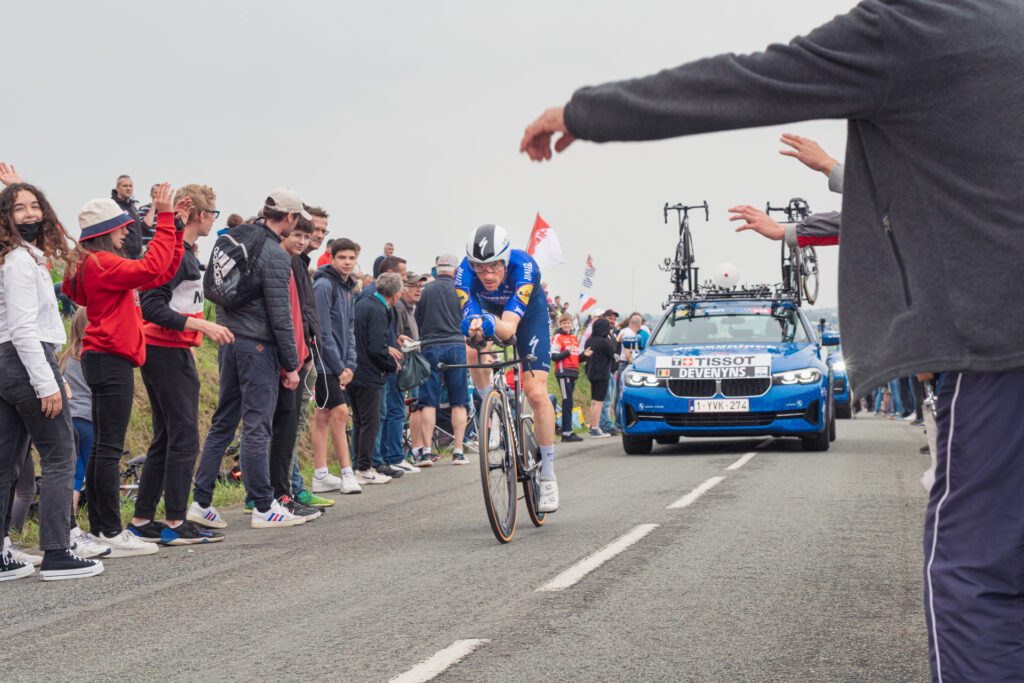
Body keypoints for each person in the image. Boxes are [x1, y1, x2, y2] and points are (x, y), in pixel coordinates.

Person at [519, 4, 1024, 678]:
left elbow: (746, 82)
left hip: (997, 344)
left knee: (972, 568)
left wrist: (587, 112)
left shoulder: (910, 26)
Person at [63, 183, 185, 557]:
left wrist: (175, 230)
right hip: (111, 358)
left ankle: (104, 527)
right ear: (104, 233)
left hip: (104, 357)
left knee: (104, 446)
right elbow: (151, 265)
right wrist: (163, 217)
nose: (128, 231)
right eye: (121, 226)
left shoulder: (96, 265)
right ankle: (110, 529)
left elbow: (159, 273)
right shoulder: (102, 263)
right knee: (108, 447)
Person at [0, 181, 104, 580]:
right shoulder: (21, 263)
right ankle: (58, 551)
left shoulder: (17, 257)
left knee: (6, 463)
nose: (29, 214)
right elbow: (25, 329)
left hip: (10, 362)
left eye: (34, 207)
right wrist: (48, 383)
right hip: (27, 359)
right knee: (61, 454)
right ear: (6, 217)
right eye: (19, 208)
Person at [188, 189, 305, 530]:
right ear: (290, 218)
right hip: (257, 346)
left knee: (224, 421)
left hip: (228, 339)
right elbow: (280, 316)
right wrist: (291, 364)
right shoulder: (275, 254)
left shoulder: (238, 237)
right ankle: (264, 507)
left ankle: (201, 501)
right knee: (257, 425)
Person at [128, 184, 233, 546]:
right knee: (183, 436)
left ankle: (142, 519)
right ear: (201, 215)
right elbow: (154, 306)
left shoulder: (184, 250)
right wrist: (202, 325)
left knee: (166, 437)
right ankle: (175, 520)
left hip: (170, 349)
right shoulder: (176, 252)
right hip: (164, 349)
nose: (213, 220)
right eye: (213, 214)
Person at [456, 224, 559, 512]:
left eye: (493, 267)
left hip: (526, 317)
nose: (487, 275)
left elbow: (510, 328)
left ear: (505, 259)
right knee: (471, 346)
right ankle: (494, 408)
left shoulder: (524, 267)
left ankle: (549, 476)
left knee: (536, 394)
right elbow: (475, 324)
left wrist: (489, 322)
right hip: (490, 312)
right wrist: (476, 326)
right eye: (480, 267)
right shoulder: (463, 274)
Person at [261, 216, 323, 520]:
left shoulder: (295, 263)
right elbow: (281, 319)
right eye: (296, 234)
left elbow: (301, 314)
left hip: (298, 354)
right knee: (276, 431)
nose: (301, 241)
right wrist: (291, 362)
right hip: (284, 360)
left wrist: (307, 350)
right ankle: (272, 497)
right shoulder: (278, 262)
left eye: (305, 236)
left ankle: (283, 493)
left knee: (288, 432)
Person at [58, 308, 112, 559]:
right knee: (88, 473)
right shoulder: (91, 357)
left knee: (73, 473)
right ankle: (78, 528)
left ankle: (67, 526)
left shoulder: (66, 358)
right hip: (90, 420)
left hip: (69, 419)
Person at [310, 237, 362, 495]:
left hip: (340, 363)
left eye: (351, 258)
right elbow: (321, 332)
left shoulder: (348, 288)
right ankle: (346, 472)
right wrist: (338, 366)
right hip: (323, 363)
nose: (347, 262)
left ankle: (320, 474)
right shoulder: (323, 285)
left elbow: (350, 329)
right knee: (340, 413)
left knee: (324, 415)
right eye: (342, 258)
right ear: (331, 258)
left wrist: (349, 364)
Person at [414, 253, 470, 466]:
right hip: (456, 344)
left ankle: (427, 452)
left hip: (431, 346)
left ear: (437, 269)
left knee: (428, 400)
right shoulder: (461, 289)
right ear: (455, 270)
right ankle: (458, 450)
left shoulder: (426, 290)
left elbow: (418, 318)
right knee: (459, 400)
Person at [349, 272, 404, 484]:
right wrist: (392, 365)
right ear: (396, 295)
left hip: (354, 369)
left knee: (360, 421)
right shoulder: (380, 310)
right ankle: (365, 467)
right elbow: (376, 347)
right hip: (369, 374)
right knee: (371, 422)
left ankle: (359, 465)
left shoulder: (362, 304)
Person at [394, 270, 427, 470]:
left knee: (409, 408)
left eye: (421, 286)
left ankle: (407, 452)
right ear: (403, 288)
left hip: (410, 366)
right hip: (402, 367)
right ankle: (397, 455)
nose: (418, 290)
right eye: (414, 286)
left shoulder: (411, 308)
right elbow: (397, 338)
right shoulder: (399, 308)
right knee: (400, 410)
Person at [582, 317, 616, 439]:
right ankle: (596, 428)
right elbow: (612, 353)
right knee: (599, 403)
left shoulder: (589, 341)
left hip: (591, 373)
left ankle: (593, 427)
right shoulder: (604, 342)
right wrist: (611, 338)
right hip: (602, 374)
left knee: (593, 402)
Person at [551, 312, 582, 442]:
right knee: (566, 401)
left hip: (573, 372)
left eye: (568, 323)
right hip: (563, 373)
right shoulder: (558, 337)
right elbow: (554, 356)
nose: (566, 325)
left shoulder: (574, 338)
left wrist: (585, 355)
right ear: (560, 324)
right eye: (564, 323)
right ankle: (566, 432)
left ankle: (568, 430)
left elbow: (576, 357)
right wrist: (566, 352)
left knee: (569, 401)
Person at [109, 174, 145, 259]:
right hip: (122, 255)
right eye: (125, 186)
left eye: (130, 186)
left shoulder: (133, 207)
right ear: (117, 188)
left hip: (137, 255)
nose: (128, 188)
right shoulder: (113, 205)